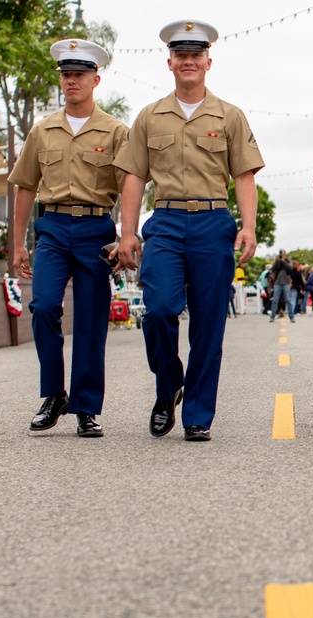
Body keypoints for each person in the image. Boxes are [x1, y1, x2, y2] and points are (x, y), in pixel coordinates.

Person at [113, 20, 263, 442]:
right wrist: (128, 233)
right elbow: (133, 179)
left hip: (214, 223)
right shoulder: (149, 117)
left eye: (196, 54)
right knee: (159, 309)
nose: (188, 61)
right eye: (181, 55)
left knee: (209, 324)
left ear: (208, 62)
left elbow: (245, 176)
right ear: (170, 62)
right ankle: (168, 387)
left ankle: (197, 414)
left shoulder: (230, 116)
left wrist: (248, 226)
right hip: (164, 221)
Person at [8, 38, 127, 438]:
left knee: (92, 323)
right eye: (66, 75)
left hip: (96, 230)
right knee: (42, 306)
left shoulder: (115, 131)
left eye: (79, 75)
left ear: (96, 79)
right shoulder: (43, 130)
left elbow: (130, 186)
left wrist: (127, 236)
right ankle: (54, 395)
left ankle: (87, 408)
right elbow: (25, 185)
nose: (71, 81)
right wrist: (18, 242)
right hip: (54, 229)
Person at [268, 250, 294, 323]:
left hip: (286, 282)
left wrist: (283, 261)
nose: (281, 255)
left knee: (288, 300)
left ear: (285, 254)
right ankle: (272, 316)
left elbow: (290, 268)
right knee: (275, 300)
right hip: (277, 283)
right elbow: (272, 269)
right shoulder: (277, 262)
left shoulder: (288, 261)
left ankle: (291, 317)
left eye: (282, 254)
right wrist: (277, 261)